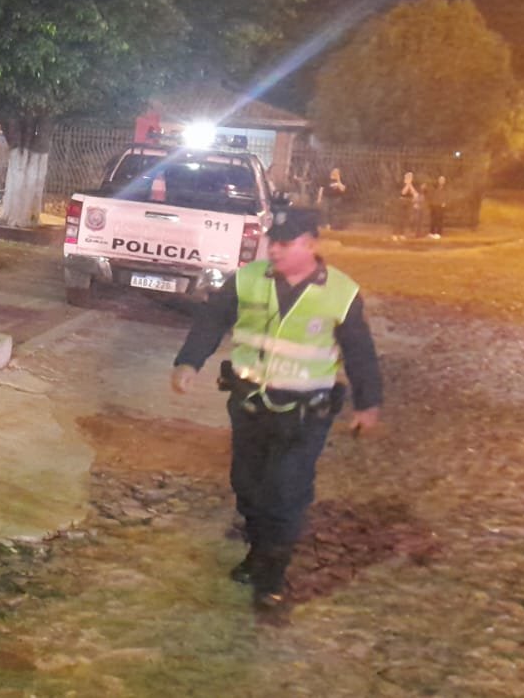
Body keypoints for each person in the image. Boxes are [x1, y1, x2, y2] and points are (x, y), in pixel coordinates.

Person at [170, 207, 383, 614]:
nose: (275, 249)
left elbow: (359, 351)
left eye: (285, 243)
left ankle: (272, 577)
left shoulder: (341, 292)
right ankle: (257, 550)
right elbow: (212, 320)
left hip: (306, 414)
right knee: (248, 485)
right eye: (273, 241)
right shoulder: (249, 278)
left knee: (286, 491)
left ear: (310, 245)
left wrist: (368, 402)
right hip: (250, 404)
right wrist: (188, 362)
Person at [394, 171, 422, 239]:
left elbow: (415, 194)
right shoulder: (400, 183)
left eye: (411, 177)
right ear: (405, 177)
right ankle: (396, 233)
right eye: (408, 177)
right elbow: (403, 192)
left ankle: (403, 234)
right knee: (399, 219)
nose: (409, 178)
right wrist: (407, 185)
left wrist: (410, 185)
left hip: (410, 203)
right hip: (401, 203)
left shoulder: (414, 185)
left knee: (407, 219)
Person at [428, 174, 449, 239]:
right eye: (440, 179)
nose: (441, 181)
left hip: (441, 206)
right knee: (433, 219)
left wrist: (444, 202)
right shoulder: (435, 187)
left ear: (444, 181)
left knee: (439, 219)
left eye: (442, 180)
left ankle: (438, 233)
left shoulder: (446, 188)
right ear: (438, 180)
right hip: (434, 205)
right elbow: (432, 194)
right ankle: (432, 233)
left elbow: (447, 196)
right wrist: (431, 203)